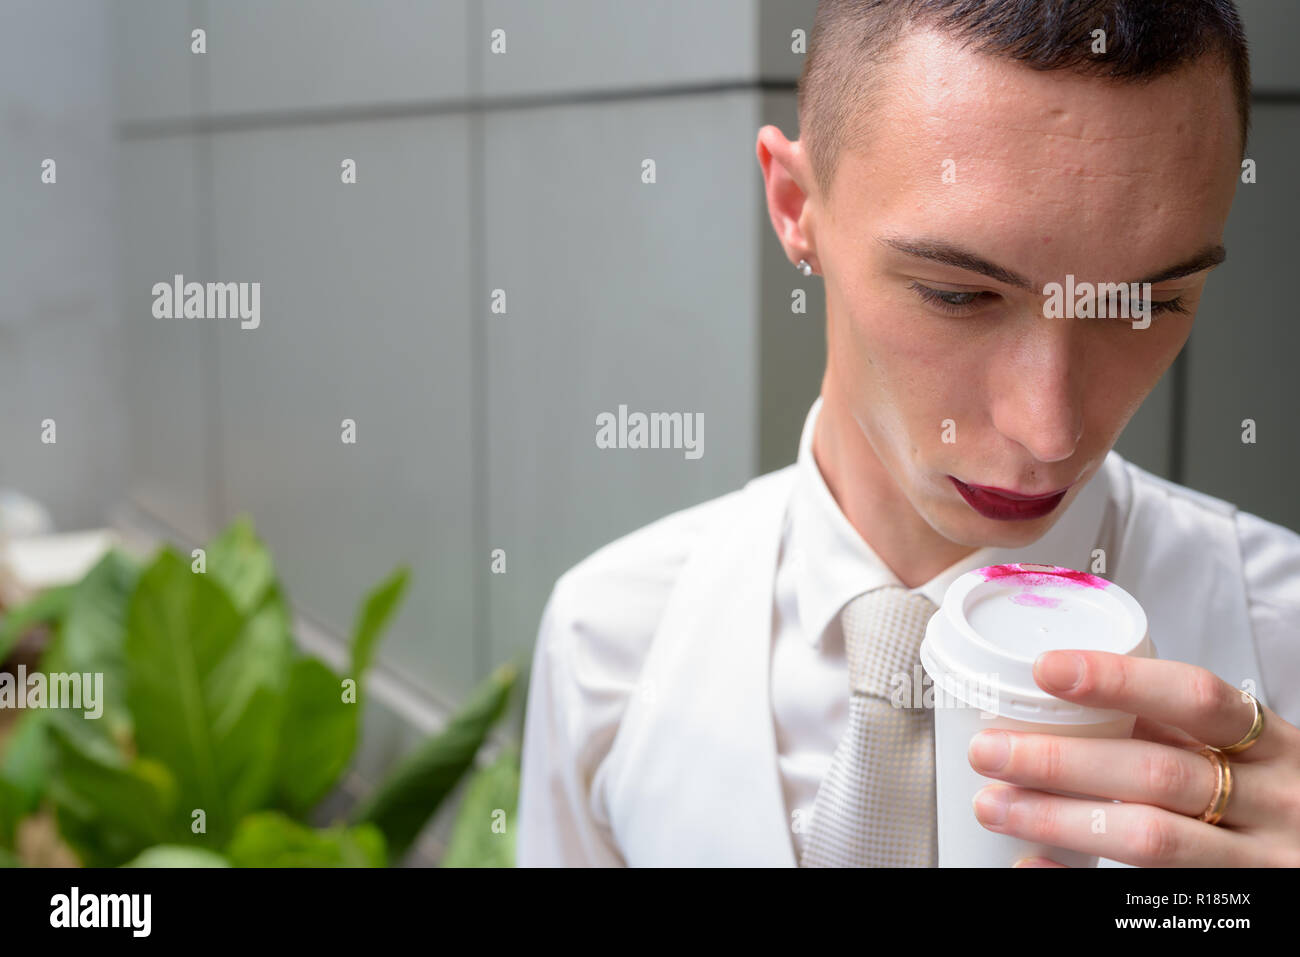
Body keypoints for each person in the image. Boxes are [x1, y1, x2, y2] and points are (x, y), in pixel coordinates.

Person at [516, 0, 1300, 867]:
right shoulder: (605, 643)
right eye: (959, 293)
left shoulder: (1287, 638)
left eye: (1147, 304)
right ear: (793, 207)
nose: (1049, 431)